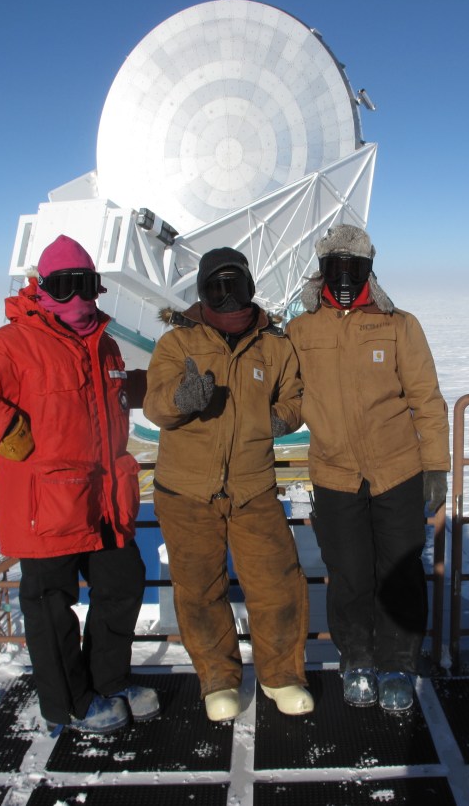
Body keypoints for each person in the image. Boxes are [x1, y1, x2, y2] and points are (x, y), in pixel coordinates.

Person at [0, 234, 158, 735]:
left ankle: (109, 681)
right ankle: (72, 704)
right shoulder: (14, 344)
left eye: (87, 285)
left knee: (121, 585)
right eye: (64, 285)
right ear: (43, 288)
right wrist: (4, 425)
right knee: (51, 608)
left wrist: (159, 387)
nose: (78, 297)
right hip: (47, 506)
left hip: (103, 500)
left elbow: (114, 393)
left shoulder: (104, 342)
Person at [144, 247, 313, 722]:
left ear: (249, 286)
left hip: (253, 487)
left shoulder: (274, 346)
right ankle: (218, 681)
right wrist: (182, 398)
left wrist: (274, 420)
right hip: (185, 491)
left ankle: (282, 676)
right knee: (200, 590)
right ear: (201, 291)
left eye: (233, 284)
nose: (226, 294)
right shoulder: (177, 344)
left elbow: (294, 397)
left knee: (278, 584)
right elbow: (156, 405)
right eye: (215, 285)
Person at [286, 224, 450, 713]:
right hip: (335, 473)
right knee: (350, 573)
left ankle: (398, 662)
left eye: (351, 267)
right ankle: (356, 658)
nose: (342, 277)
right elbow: (291, 399)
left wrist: (435, 466)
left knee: (398, 573)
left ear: (367, 269)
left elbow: (426, 398)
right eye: (333, 266)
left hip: (397, 468)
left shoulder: (399, 324)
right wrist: (273, 416)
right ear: (321, 270)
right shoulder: (301, 330)